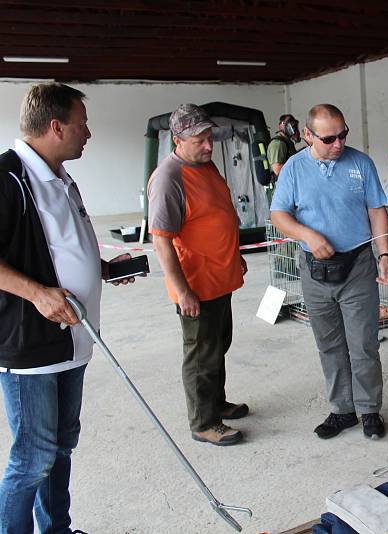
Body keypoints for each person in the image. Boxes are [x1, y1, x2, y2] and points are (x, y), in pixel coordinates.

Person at [0, 82, 134, 534]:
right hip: (32, 351)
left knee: (60, 447)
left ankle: (55, 529)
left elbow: (55, 248)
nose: (88, 134)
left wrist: (99, 270)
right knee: (33, 458)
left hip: (73, 339)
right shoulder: (8, 178)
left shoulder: (58, 176)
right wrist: (37, 293)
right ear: (56, 126)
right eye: (82, 124)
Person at [270, 104, 388, 440]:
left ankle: (369, 409)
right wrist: (306, 234)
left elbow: (377, 211)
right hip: (314, 270)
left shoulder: (361, 164)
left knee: (363, 344)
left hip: (357, 265)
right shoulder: (294, 169)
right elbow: (279, 214)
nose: (339, 143)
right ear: (308, 135)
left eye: (343, 134)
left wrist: (384, 254)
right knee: (329, 344)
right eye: (329, 138)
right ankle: (343, 410)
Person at [148, 104, 249, 447]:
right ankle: (204, 422)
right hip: (197, 286)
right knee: (201, 355)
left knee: (218, 345)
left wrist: (234, 255)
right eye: (200, 140)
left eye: (209, 137)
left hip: (221, 277)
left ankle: (216, 403)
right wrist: (182, 290)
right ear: (178, 140)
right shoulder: (168, 179)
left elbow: (216, 215)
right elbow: (161, 241)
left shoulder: (206, 165)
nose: (208, 145)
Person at [267, 113, 300, 180]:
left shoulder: (287, 142)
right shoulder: (278, 143)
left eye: (295, 126)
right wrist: (299, 164)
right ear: (281, 126)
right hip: (282, 186)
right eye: (292, 126)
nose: (294, 129)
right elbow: (278, 170)